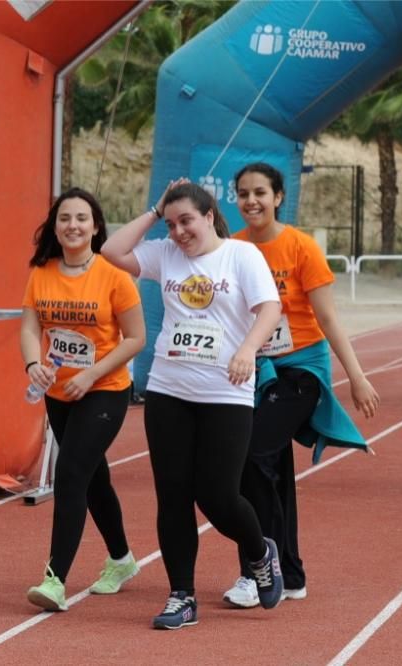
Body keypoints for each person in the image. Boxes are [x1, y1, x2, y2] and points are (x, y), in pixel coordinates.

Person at [101, 180, 285, 630]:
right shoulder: (165, 254)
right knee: (173, 495)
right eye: (171, 223)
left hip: (226, 390)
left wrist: (247, 351)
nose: (179, 232)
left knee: (219, 495)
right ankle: (181, 595)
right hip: (169, 388)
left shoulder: (241, 256)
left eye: (187, 221)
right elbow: (110, 250)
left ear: (209, 215)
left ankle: (261, 551)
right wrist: (154, 209)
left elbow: (269, 309)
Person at [222, 162, 380, 608]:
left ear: (278, 198)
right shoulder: (231, 249)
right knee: (271, 469)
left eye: (260, 193)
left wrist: (357, 377)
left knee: (252, 455)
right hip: (252, 372)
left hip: (299, 372)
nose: (251, 201)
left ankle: (258, 569)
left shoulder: (301, 248)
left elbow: (328, 317)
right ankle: (289, 574)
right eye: (243, 193)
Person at [21, 187, 146, 612]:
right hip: (58, 392)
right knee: (94, 478)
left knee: (71, 472)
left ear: (95, 226)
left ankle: (55, 579)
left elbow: (136, 338)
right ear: (54, 227)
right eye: (64, 219)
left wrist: (92, 374)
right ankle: (122, 559)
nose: (72, 226)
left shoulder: (113, 275)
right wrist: (30, 365)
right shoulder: (42, 272)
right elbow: (28, 327)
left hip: (105, 390)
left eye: (81, 218)